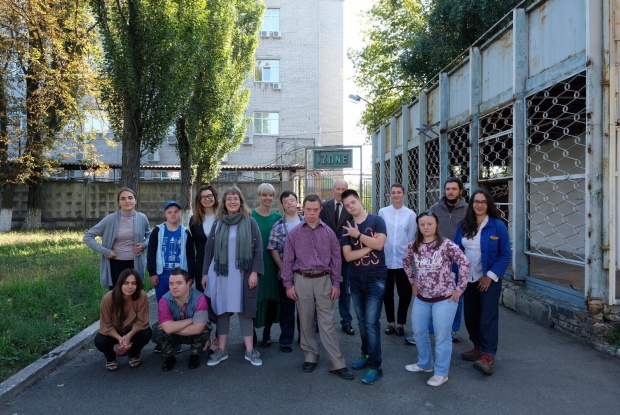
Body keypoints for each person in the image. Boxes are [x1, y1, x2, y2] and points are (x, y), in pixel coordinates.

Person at [281, 194, 354, 380]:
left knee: (327, 324)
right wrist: (288, 284)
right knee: (305, 322)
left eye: (315, 210)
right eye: (308, 210)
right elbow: (287, 261)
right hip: (302, 280)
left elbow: (336, 260)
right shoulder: (295, 233)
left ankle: (336, 362)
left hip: (324, 281)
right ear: (302, 209)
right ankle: (310, 356)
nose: (312, 213)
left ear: (320, 210)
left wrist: (337, 283)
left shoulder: (329, 233)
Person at [402, 211, 470, 387]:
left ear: (436, 224)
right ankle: (425, 364)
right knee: (418, 331)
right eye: (422, 224)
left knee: (442, 336)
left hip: (444, 299)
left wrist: (459, 288)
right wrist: (413, 282)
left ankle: (441, 372)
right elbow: (406, 261)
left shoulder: (446, 245)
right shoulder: (413, 246)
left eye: (429, 223)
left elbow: (464, 262)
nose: (426, 227)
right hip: (422, 298)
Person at [203, 186, 265, 367]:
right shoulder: (218, 223)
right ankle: (221, 350)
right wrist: (205, 274)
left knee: (245, 311)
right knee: (222, 310)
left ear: (240, 202)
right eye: (229, 199)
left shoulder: (250, 222)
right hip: (221, 275)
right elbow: (208, 252)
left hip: (243, 274)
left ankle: (249, 350)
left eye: (235, 199)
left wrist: (254, 272)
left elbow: (258, 251)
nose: (232, 202)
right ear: (224, 202)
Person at [453, 188, 511, 376]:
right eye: (476, 202)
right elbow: (455, 252)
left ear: (489, 205)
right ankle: (478, 346)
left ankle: (488, 354)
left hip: (488, 279)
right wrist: (456, 277)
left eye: (483, 202)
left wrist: (490, 276)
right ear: (471, 205)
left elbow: (505, 254)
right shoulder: (464, 225)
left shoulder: (497, 226)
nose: (479, 205)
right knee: (470, 315)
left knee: (488, 316)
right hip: (467, 279)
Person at [341, 189, 387, 385]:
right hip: (356, 279)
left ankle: (375, 366)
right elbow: (348, 256)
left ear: (359, 200)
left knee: (371, 322)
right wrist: (372, 244)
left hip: (376, 277)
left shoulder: (377, 221)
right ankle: (365, 353)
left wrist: (358, 236)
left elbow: (381, 244)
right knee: (361, 320)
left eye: (353, 202)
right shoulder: (346, 227)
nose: (351, 206)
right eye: (347, 205)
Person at [426, 177, 469, 344]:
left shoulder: (467, 209)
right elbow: (427, 228)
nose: (450, 192)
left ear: (460, 191)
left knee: (456, 295)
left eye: (454, 189)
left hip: (458, 258)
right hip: (437, 258)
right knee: (433, 293)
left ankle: (452, 329)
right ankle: (431, 328)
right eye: (448, 189)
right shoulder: (436, 208)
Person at [83, 187, 151, 289]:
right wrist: (105, 251)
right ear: (119, 202)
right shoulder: (110, 219)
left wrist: (144, 245)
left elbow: (150, 236)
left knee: (134, 297)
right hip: (116, 265)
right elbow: (88, 237)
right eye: (123, 198)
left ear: (135, 200)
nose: (127, 201)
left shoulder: (142, 218)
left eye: (130, 198)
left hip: (135, 264)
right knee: (117, 298)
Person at [151, 268, 211, 371]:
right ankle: (170, 356)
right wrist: (191, 320)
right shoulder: (164, 300)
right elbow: (167, 329)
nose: (174, 287)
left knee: (205, 328)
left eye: (179, 283)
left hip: (190, 333)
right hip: (176, 333)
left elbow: (197, 329)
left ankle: (195, 354)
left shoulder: (200, 298)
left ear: (188, 283)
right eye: (171, 283)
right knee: (158, 331)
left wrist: (171, 327)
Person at [94, 268, 152, 371]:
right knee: (100, 341)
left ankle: (133, 354)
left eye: (134, 283)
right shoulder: (108, 298)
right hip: (113, 332)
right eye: (126, 283)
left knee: (146, 333)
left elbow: (142, 321)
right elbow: (106, 325)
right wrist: (120, 339)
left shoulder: (142, 296)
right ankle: (110, 358)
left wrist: (129, 336)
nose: (130, 287)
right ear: (120, 283)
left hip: (132, 331)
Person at [267, 190, 303, 353]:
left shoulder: (306, 223)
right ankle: (286, 340)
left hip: (305, 275)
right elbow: (272, 247)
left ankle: (305, 339)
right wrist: (283, 268)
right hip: (286, 275)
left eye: (292, 200)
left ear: (297, 202)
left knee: (305, 309)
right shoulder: (278, 225)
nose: (290, 203)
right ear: (282, 205)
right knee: (287, 308)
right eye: (286, 201)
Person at [378, 184, 417, 338]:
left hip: (403, 260)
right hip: (386, 259)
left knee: (405, 293)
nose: (396, 195)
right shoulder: (383, 212)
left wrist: (408, 256)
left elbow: (412, 237)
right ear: (390, 195)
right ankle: (390, 322)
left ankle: (400, 323)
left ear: (404, 195)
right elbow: (379, 233)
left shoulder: (410, 215)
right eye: (393, 192)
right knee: (387, 293)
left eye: (399, 192)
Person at [319, 179, 355, 336]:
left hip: (345, 257)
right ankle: (319, 322)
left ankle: (346, 321)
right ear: (333, 190)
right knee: (322, 290)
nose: (340, 191)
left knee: (344, 290)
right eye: (338, 188)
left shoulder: (351, 208)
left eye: (344, 189)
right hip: (324, 258)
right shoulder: (324, 207)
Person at [252, 183, 282, 347]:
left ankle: (267, 332)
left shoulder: (277, 218)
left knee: (271, 299)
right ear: (259, 196)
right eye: (264, 195)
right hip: (255, 265)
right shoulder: (250, 216)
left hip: (272, 263)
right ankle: (252, 334)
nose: (268, 198)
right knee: (253, 299)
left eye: (271, 195)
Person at [147, 201, 195, 302]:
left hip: (180, 276)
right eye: (169, 212)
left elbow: (190, 255)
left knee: (181, 305)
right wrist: (152, 273)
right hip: (162, 276)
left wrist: (191, 275)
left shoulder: (185, 232)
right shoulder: (157, 231)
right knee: (163, 305)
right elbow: (151, 252)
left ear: (180, 213)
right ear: (165, 214)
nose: (173, 214)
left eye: (176, 212)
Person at [190, 185, 218, 293]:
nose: (207, 199)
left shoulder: (223, 217)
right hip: (201, 264)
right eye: (203, 197)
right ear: (199, 200)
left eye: (210, 195)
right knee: (203, 295)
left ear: (214, 197)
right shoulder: (194, 221)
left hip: (221, 262)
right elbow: (196, 244)